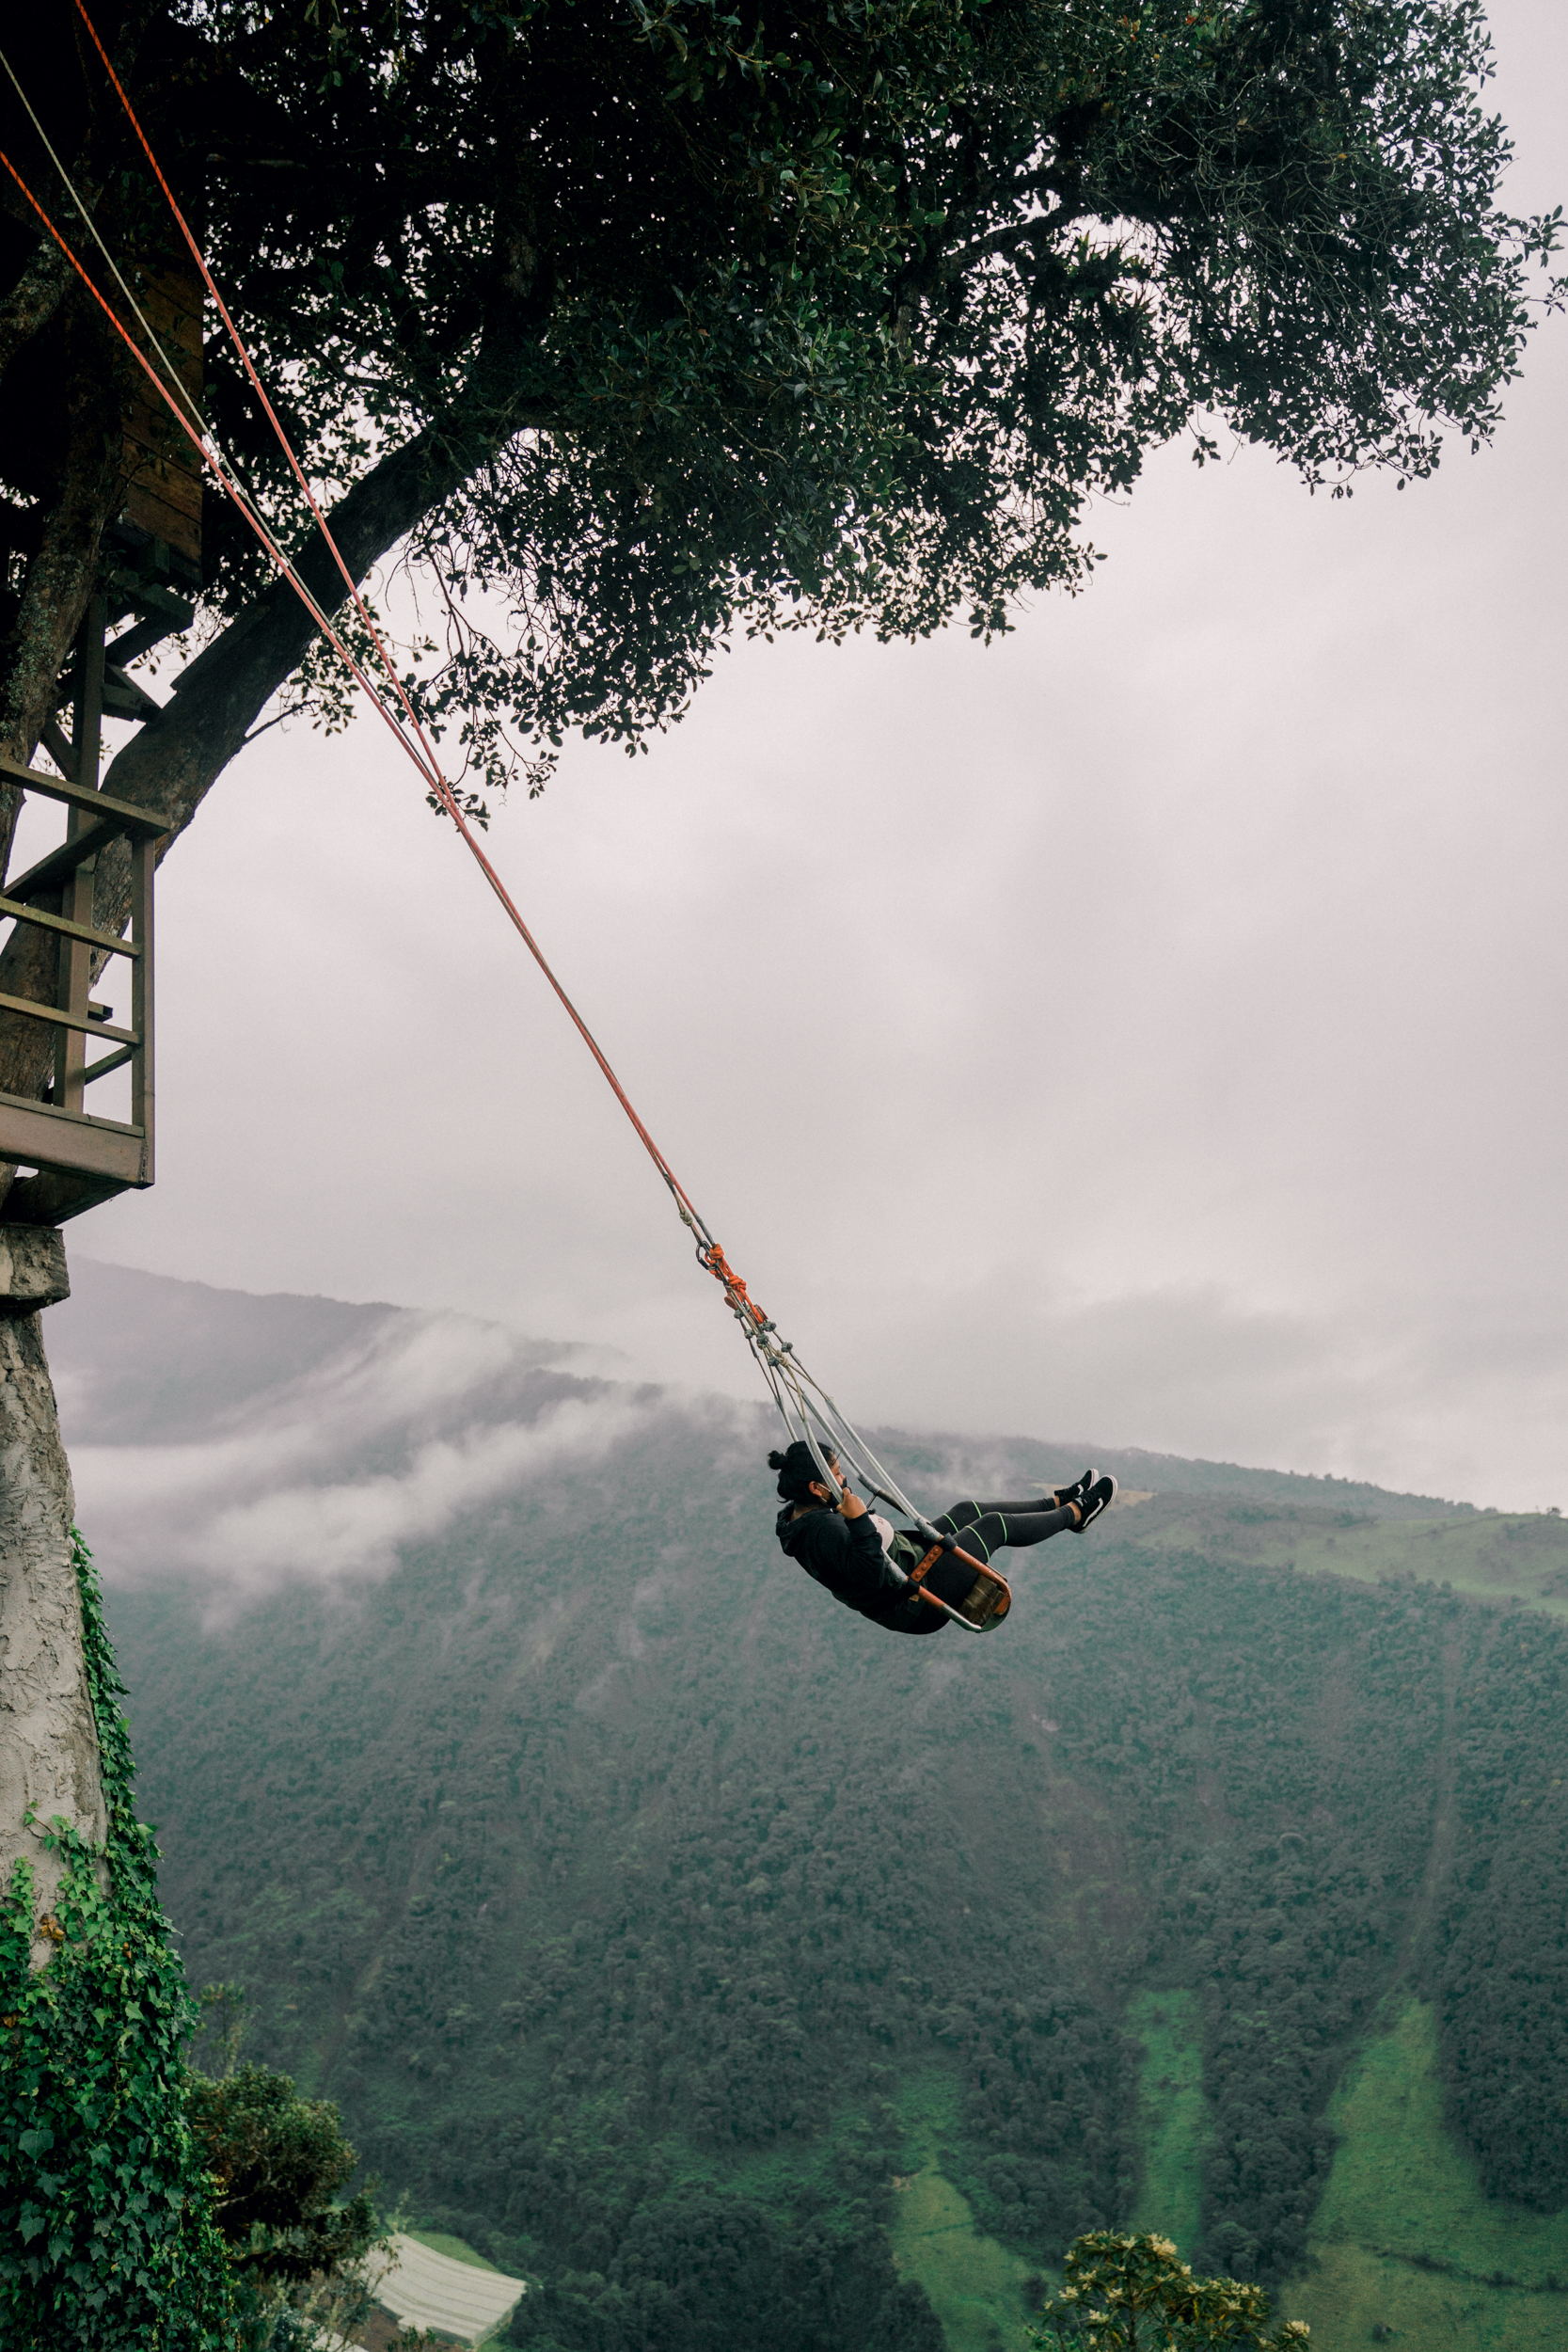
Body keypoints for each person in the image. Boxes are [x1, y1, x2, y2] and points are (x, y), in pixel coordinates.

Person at [768, 1441, 1117, 1636]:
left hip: (909, 1559)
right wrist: (859, 1519)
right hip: (916, 1599)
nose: (844, 1481)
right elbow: (868, 1575)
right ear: (816, 1488)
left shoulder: (802, 1517)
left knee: (965, 1510)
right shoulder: (822, 1531)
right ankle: (1076, 1514)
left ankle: (1056, 1502)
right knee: (992, 1526)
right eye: (837, 1475)